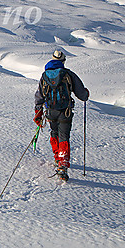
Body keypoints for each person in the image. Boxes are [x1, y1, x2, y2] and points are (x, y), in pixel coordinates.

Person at [34, 49, 89, 181]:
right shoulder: (68, 74)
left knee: (54, 133)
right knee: (64, 135)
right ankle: (63, 164)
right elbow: (82, 94)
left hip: (50, 111)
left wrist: (38, 112)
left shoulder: (45, 75)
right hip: (65, 111)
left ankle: (58, 158)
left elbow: (39, 96)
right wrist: (86, 94)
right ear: (63, 61)